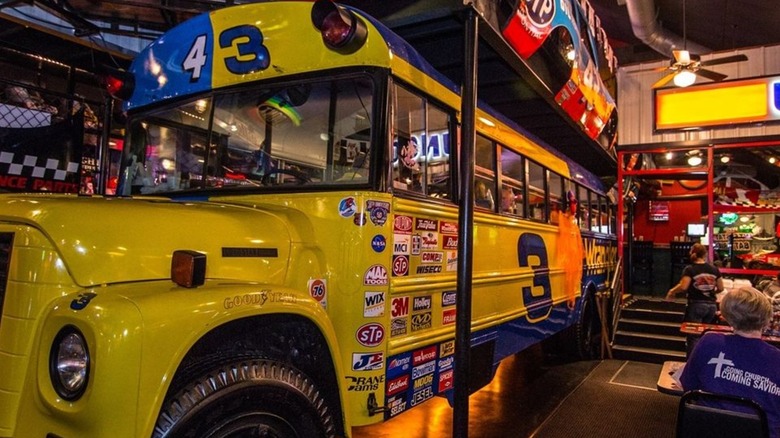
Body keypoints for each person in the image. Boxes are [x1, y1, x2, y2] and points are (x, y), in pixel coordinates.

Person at [679, 286, 780, 438]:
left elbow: (688, 386)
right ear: (767, 318)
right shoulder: (776, 359)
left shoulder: (709, 342)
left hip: (706, 431)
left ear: (726, 315)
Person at [666, 243, 724, 357]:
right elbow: (721, 288)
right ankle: (704, 359)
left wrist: (672, 291)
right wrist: (710, 293)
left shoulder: (690, 269)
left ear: (692, 254)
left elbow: (683, 286)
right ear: (705, 254)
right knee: (706, 335)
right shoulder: (714, 269)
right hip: (711, 306)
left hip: (696, 304)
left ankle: (692, 362)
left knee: (694, 336)